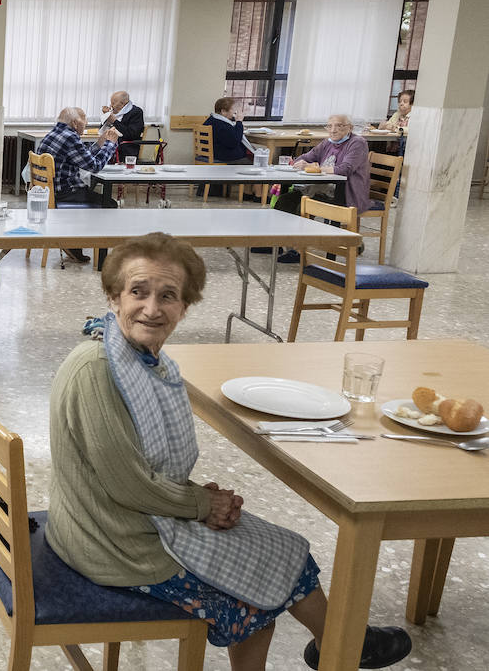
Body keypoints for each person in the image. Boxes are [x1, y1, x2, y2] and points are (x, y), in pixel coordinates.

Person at [48, 232, 412, 671]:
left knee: (288, 549)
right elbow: (128, 484)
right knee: (255, 607)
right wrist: (202, 503)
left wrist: (200, 500)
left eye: (168, 296)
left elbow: (139, 464)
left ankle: (342, 641)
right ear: (114, 296)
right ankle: (345, 642)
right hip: (109, 542)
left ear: (185, 306)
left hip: (119, 519)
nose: (152, 308)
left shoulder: (139, 357)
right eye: (138, 292)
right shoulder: (96, 371)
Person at [269, 114, 371, 263]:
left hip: (346, 191)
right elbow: (307, 156)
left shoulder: (358, 143)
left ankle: (297, 250)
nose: (333, 130)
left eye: (339, 126)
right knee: (285, 200)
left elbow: (345, 169)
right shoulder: (327, 143)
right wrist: (300, 162)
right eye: (329, 126)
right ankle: (277, 242)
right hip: (322, 188)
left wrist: (316, 168)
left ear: (350, 128)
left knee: (302, 204)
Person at [38, 107, 121, 263]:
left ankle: (73, 244)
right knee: (109, 204)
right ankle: (98, 256)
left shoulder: (55, 133)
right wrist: (110, 145)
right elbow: (95, 166)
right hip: (65, 194)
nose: (87, 123)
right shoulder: (71, 137)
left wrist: (99, 144)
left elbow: (80, 157)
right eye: (85, 120)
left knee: (92, 194)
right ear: (76, 123)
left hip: (49, 193)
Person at [100, 91, 144, 160]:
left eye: (113, 103)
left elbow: (131, 134)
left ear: (122, 104)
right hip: (109, 146)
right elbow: (101, 130)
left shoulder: (136, 112)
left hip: (126, 149)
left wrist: (114, 121)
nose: (111, 105)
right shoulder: (114, 112)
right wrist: (106, 115)